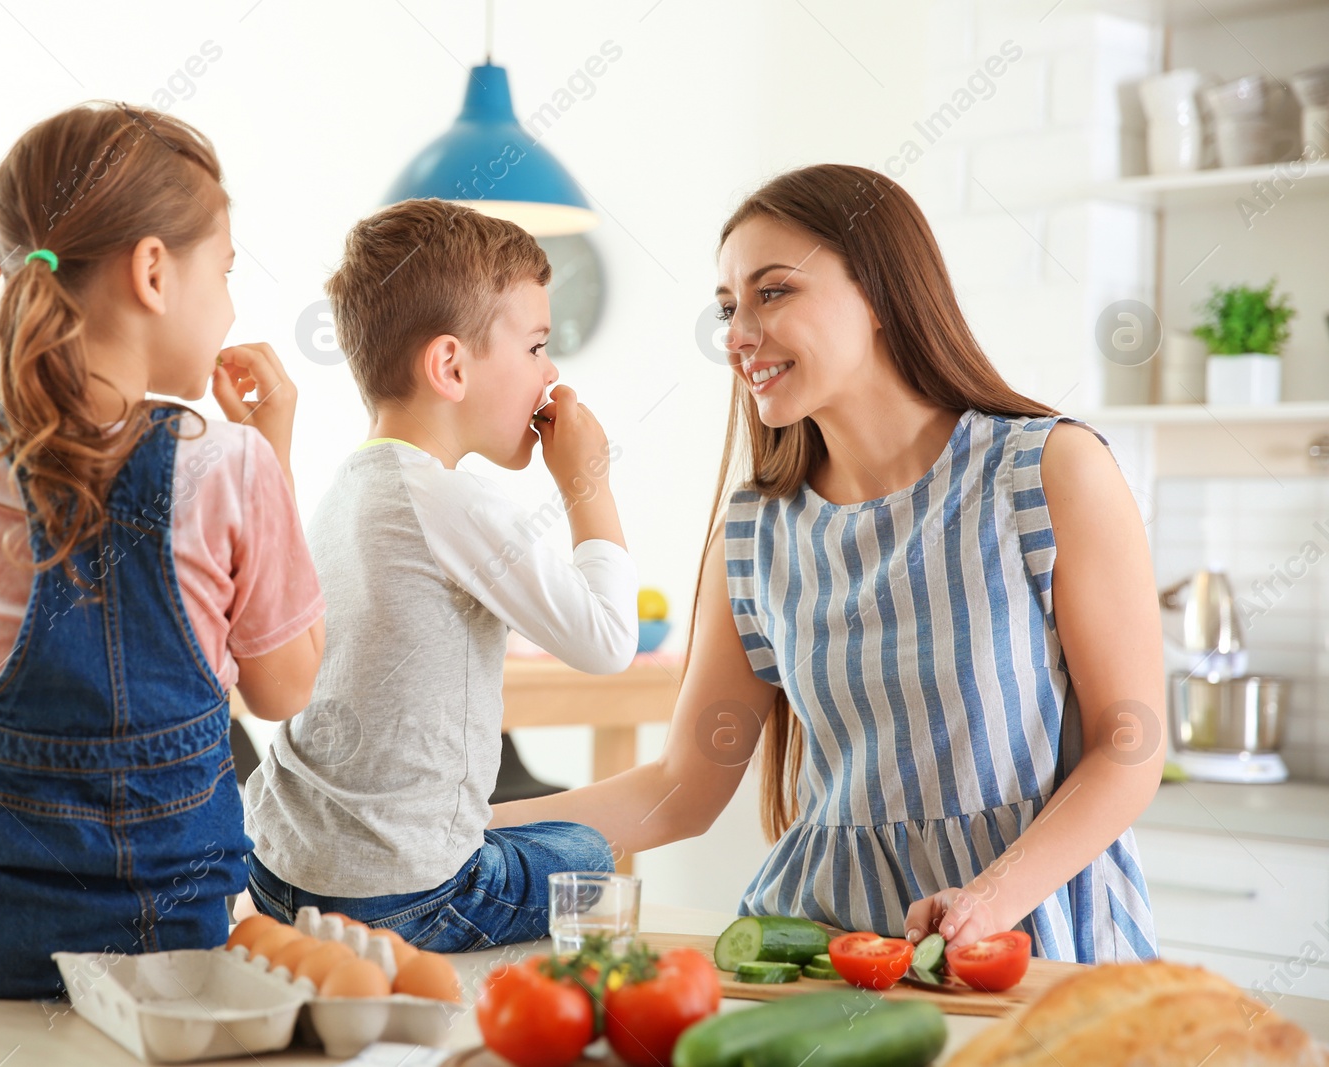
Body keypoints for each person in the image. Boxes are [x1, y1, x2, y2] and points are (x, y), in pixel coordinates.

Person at [491, 165, 1162, 963]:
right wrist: (445, 829)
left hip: (1032, 939)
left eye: (773, 293)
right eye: (729, 307)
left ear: (880, 293)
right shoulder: (755, 534)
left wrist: (987, 901)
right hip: (819, 949)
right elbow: (681, 787)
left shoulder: (1047, 470)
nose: (738, 333)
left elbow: (1129, 745)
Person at [0, 102, 325, 997]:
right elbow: (284, 690)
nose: (232, 299)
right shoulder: (232, 463)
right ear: (154, 271)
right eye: (227, 271)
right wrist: (273, 455)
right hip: (173, 939)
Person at [242, 199, 638, 951]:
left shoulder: (348, 488)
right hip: (403, 896)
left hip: (278, 875)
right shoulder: (450, 497)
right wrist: (588, 483)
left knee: (531, 828)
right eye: (535, 346)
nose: (551, 373)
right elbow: (609, 641)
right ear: (451, 365)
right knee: (587, 853)